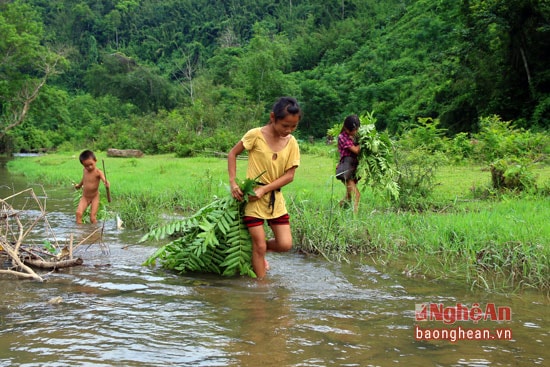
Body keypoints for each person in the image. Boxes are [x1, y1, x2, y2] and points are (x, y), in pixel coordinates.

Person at [228, 97, 302, 279]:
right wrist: (233, 183)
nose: (289, 130)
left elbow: (289, 175)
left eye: (293, 126)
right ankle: (261, 289)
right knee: (259, 245)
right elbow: (232, 153)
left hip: (274, 198)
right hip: (252, 198)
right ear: (272, 117)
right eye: (285, 125)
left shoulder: (292, 142)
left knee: (285, 244)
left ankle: (255, 252)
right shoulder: (255, 135)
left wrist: (265, 189)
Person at [74, 150, 110, 224]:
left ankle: (95, 233)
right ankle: (80, 233)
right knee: (78, 213)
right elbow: (84, 179)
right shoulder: (84, 170)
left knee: (92, 217)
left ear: (95, 161)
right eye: (86, 166)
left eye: (91, 164)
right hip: (85, 197)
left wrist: (106, 183)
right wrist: (79, 185)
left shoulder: (98, 172)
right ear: (83, 165)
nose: (89, 167)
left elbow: (104, 180)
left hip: (94, 197)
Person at [336, 114, 361, 212]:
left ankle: (338, 211)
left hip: (353, 169)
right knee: (356, 195)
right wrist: (362, 142)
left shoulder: (354, 136)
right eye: (352, 130)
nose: (355, 132)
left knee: (349, 196)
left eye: (356, 130)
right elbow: (356, 150)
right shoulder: (342, 137)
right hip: (346, 170)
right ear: (346, 128)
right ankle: (355, 219)